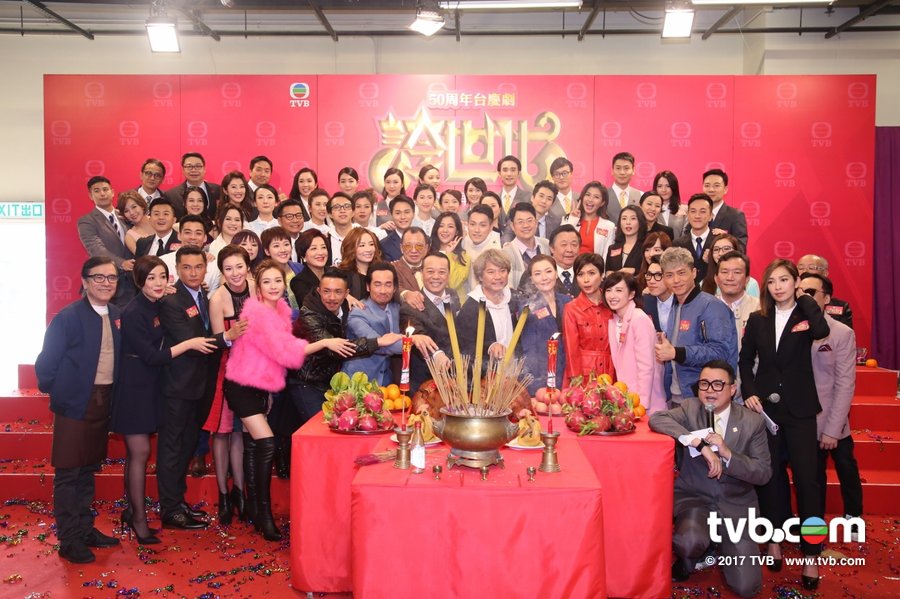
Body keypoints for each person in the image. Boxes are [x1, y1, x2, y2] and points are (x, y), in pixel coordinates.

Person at [739, 259, 830, 590]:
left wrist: (805, 297)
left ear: (795, 283)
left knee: (808, 482)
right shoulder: (758, 319)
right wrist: (750, 392)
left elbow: (821, 331)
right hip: (767, 411)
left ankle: (811, 555)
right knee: (772, 479)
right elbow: (745, 361)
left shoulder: (806, 314)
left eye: (784, 280)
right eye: (772, 281)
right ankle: (774, 541)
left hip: (801, 412)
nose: (777, 286)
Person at [113, 256, 217, 542]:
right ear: (139, 281)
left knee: (161, 448)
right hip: (137, 386)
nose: (158, 283)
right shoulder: (133, 311)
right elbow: (151, 355)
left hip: (154, 383)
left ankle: (148, 509)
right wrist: (190, 343)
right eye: (151, 278)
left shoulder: (157, 302)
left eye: (162, 276)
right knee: (144, 452)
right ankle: (142, 516)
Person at [649, 360, 772, 597]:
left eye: (718, 384)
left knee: (747, 587)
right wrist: (697, 442)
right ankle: (691, 556)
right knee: (689, 541)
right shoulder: (690, 408)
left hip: (736, 504)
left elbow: (763, 472)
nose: (709, 391)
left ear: (732, 389)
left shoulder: (752, 421)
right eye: (704, 384)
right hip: (696, 498)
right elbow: (657, 419)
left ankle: (718, 546)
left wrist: (727, 454)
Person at [36, 257, 123, 564]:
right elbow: (46, 364)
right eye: (99, 277)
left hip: (104, 400)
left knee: (88, 468)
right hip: (75, 402)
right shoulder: (68, 317)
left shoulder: (116, 314)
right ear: (85, 281)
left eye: (111, 278)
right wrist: (63, 392)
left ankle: (85, 529)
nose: (106, 283)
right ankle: (69, 538)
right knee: (69, 471)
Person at [157, 246, 246, 531]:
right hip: (177, 387)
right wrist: (227, 336)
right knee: (172, 448)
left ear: (206, 269)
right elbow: (192, 340)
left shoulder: (204, 296)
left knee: (186, 446)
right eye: (186, 267)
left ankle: (178, 503)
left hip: (200, 386)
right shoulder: (171, 301)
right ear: (177, 270)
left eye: (198, 267)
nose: (193, 272)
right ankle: (170, 509)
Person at [223, 260, 308, 541]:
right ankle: (265, 514)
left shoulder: (281, 311)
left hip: (261, 387)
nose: (273, 286)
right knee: (267, 443)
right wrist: (322, 344)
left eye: (277, 281)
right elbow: (285, 353)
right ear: (258, 288)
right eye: (267, 282)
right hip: (242, 386)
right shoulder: (257, 314)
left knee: (252, 447)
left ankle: (254, 511)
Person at [287, 268, 385, 425]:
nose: (331, 297)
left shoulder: (346, 307)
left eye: (338, 292)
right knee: (319, 429)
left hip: (329, 382)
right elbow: (336, 348)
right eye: (326, 291)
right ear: (319, 291)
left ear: (346, 293)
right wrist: (378, 342)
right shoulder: (309, 314)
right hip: (306, 382)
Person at [801, 273, 863, 522]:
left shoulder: (842, 333)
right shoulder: (791, 329)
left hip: (832, 417)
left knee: (846, 467)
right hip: (802, 420)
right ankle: (814, 527)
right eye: (800, 291)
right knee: (813, 477)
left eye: (811, 292)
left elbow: (845, 383)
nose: (804, 297)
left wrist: (833, 429)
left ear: (826, 298)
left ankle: (853, 517)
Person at [203, 245, 253, 525]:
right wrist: (230, 334)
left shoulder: (257, 289)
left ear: (248, 266)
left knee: (240, 434)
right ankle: (223, 493)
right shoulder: (217, 298)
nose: (235, 273)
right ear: (221, 271)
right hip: (227, 369)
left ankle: (240, 492)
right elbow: (216, 341)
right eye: (228, 268)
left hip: (254, 370)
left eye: (239, 267)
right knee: (222, 433)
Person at [655, 247, 738, 407]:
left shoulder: (712, 306)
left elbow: (721, 352)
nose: (676, 280)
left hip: (706, 396)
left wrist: (676, 352)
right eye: (669, 275)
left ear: (693, 273)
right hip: (677, 395)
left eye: (681, 273)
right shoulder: (676, 305)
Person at [602, 272, 666, 414]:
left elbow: (646, 366)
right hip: (627, 398)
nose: (612, 295)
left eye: (619, 290)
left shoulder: (639, 319)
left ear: (631, 294)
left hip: (645, 402)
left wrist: (641, 404)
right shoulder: (614, 321)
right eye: (608, 290)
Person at [400, 252, 461, 393]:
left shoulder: (453, 294)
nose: (436, 277)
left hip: (456, 381)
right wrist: (437, 354)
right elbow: (418, 334)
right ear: (421, 273)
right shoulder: (410, 305)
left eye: (442, 272)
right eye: (430, 271)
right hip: (426, 383)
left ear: (448, 274)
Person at [341, 263, 408, 385]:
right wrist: (414, 341)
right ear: (368, 287)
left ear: (394, 288)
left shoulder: (397, 308)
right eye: (377, 284)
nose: (383, 290)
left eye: (388, 285)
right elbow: (379, 345)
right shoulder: (357, 313)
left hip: (386, 380)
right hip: (357, 381)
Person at [457, 249, 523, 371]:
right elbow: (464, 346)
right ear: (480, 276)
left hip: (517, 372)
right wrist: (489, 346)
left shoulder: (516, 299)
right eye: (491, 272)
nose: (498, 277)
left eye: (502, 271)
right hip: (486, 375)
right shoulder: (471, 307)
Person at [77, 176, 136, 306]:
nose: (102, 194)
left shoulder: (126, 215)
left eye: (105, 189)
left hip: (131, 284)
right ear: (90, 196)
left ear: (112, 192)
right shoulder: (87, 221)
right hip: (104, 283)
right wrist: (122, 263)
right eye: (97, 191)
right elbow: (96, 249)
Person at [519, 255, 571, 395]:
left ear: (556, 273)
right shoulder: (527, 308)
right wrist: (537, 386)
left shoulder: (568, 302)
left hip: (568, 375)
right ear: (531, 279)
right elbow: (529, 349)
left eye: (548, 271)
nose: (544, 277)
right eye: (537, 274)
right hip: (542, 379)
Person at [562, 253, 615, 386]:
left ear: (602, 275)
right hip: (584, 375)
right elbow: (571, 349)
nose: (586, 280)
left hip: (613, 371)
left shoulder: (613, 303)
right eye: (580, 274)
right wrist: (576, 380)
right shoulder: (572, 309)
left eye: (591, 273)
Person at [160, 215, 221, 298]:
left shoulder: (214, 266)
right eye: (187, 232)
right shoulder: (163, 262)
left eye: (198, 233)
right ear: (179, 235)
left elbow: (213, 298)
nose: (193, 237)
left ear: (205, 238)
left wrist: (203, 292)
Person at [714, 251, 760, 351]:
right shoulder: (705, 307)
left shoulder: (760, 308)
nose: (730, 278)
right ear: (716, 279)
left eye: (737, 272)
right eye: (724, 272)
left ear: (747, 279)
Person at [501, 203, 550, 289]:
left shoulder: (546, 245)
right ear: (512, 226)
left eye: (529, 220)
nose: (526, 225)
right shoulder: (506, 254)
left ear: (536, 222)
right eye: (520, 222)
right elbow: (508, 288)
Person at [797, 254, 853, 328]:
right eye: (801, 268)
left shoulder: (841, 307)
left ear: (825, 273)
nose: (805, 271)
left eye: (811, 267)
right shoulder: (787, 302)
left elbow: (844, 334)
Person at [563, 181, 615, 259]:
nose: (590, 199)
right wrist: (572, 220)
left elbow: (606, 256)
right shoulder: (567, 219)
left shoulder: (609, 226)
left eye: (596, 197)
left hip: (595, 265)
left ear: (602, 203)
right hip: (570, 265)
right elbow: (562, 243)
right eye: (587, 195)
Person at [674, 193, 716, 284]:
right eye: (693, 211)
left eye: (703, 211)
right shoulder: (677, 244)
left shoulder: (719, 242)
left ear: (711, 216)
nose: (697, 216)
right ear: (688, 215)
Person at [703, 168, 749, 251]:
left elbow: (741, 248)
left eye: (716, 185)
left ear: (725, 189)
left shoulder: (735, 215)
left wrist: (727, 238)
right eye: (707, 185)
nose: (711, 189)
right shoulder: (695, 214)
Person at [702, 234, 760, 298]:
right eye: (716, 249)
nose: (720, 253)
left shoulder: (750, 284)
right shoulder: (703, 283)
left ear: (736, 251)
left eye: (726, 248)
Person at [260, 226, 303, 313]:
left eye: (286, 244)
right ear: (267, 251)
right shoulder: (263, 275)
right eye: (276, 246)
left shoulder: (300, 268)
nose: (283, 250)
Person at [166, 153, 222, 220]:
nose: (193, 170)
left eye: (198, 166)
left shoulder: (218, 190)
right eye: (189, 167)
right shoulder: (171, 195)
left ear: (204, 169)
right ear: (183, 170)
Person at [338, 227, 382, 307]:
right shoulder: (343, 275)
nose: (368, 249)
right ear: (351, 249)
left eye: (371, 244)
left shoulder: (380, 272)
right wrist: (344, 295)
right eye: (362, 245)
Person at [462, 204, 502, 293]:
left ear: (491, 227)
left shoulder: (498, 249)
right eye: (472, 224)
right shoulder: (463, 241)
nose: (477, 230)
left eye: (482, 225)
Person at [430, 211, 469, 300]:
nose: (445, 230)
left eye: (450, 226)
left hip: (456, 304)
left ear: (457, 231)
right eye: (441, 226)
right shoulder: (427, 253)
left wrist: (448, 254)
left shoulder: (464, 257)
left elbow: (454, 284)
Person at [291, 229, 331, 308]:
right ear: (303, 256)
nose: (320, 252)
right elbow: (313, 307)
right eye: (314, 248)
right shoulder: (299, 282)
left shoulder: (335, 273)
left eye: (323, 247)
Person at [606, 205, 648, 274]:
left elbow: (650, 270)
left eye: (633, 218)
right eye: (624, 218)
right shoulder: (613, 248)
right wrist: (608, 273)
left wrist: (634, 271)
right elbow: (608, 269)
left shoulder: (646, 247)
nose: (628, 222)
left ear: (640, 222)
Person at [393, 227, 429, 299]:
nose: (413, 250)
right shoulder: (392, 269)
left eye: (419, 246)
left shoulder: (432, 267)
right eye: (408, 246)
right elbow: (393, 289)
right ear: (401, 248)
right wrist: (405, 294)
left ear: (426, 248)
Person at [641, 256, 673, 332]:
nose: (651, 281)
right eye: (649, 275)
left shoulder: (682, 302)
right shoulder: (644, 302)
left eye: (658, 275)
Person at [607, 151, 641, 222]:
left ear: (633, 170)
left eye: (626, 168)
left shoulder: (641, 196)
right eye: (618, 168)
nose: (622, 172)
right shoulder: (603, 195)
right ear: (612, 171)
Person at [653, 170, 687, 240]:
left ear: (674, 187)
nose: (663, 190)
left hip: (679, 246)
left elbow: (686, 234)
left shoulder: (684, 209)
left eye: (668, 186)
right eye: (660, 186)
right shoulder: (651, 210)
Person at [380, 195, 415, 262]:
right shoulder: (384, 245)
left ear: (413, 213)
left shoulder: (424, 240)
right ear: (391, 215)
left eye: (407, 212)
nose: (403, 217)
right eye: (398, 213)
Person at [327, 191, 358, 265]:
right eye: (337, 207)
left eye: (347, 206)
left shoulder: (364, 236)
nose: (342, 210)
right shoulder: (326, 241)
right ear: (330, 214)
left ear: (353, 212)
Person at [118, 191, 154, 255]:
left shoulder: (157, 219)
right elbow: (144, 258)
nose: (131, 213)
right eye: (126, 211)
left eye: (134, 207)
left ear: (142, 205)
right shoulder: (129, 236)